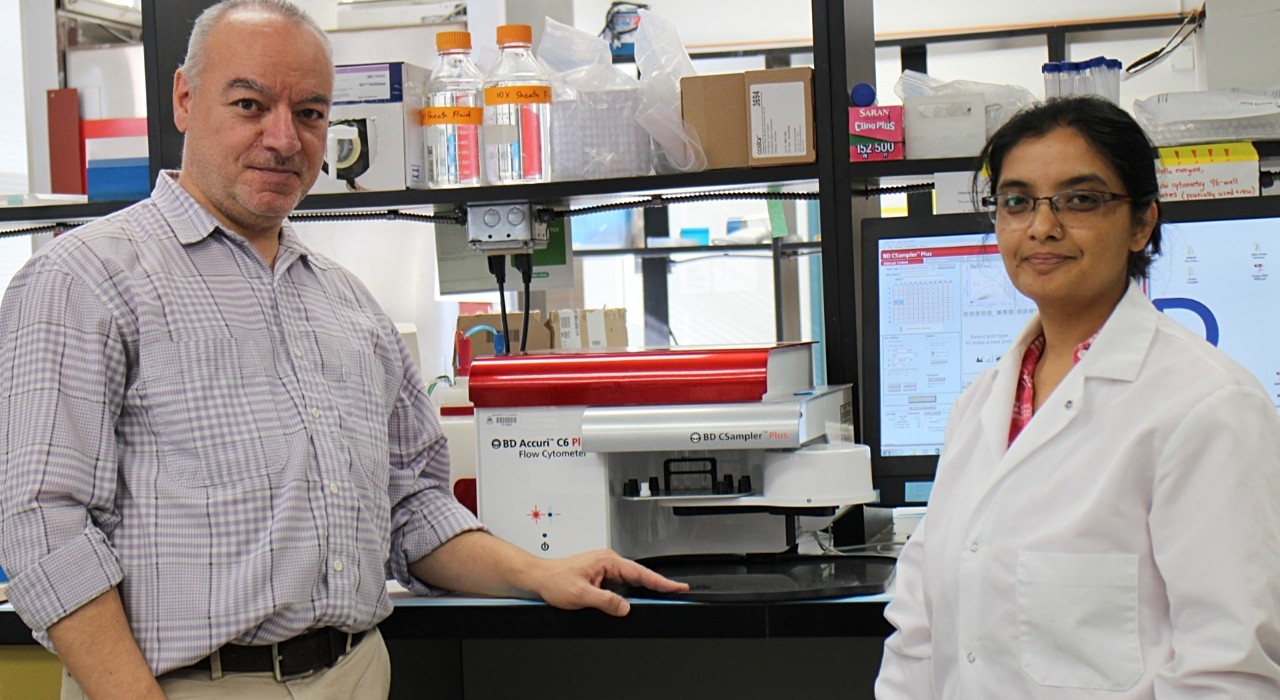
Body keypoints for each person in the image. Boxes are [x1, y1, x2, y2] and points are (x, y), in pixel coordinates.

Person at [0, 2, 685, 698]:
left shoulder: (349, 305)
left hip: (355, 673)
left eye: (310, 114)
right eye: (249, 104)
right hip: (185, 685)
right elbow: (42, 523)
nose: (283, 139)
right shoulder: (85, 278)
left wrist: (540, 572)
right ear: (184, 98)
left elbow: (412, 507)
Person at [876, 96, 1280, 698]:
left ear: (1143, 222)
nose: (1042, 226)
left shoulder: (1209, 407)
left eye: (1080, 200)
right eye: (1017, 202)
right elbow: (920, 634)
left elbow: (1227, 674)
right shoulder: (978, 407)